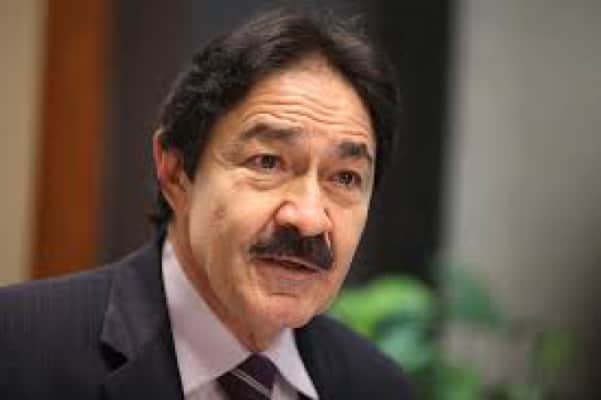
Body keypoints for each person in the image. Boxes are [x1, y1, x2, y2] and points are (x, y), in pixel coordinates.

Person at [0, 8, 411, 400]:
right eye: (267, 162)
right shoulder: (18, 347)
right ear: (176, 172)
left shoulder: (377, 386)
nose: (308, 219)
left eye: (345, 178)